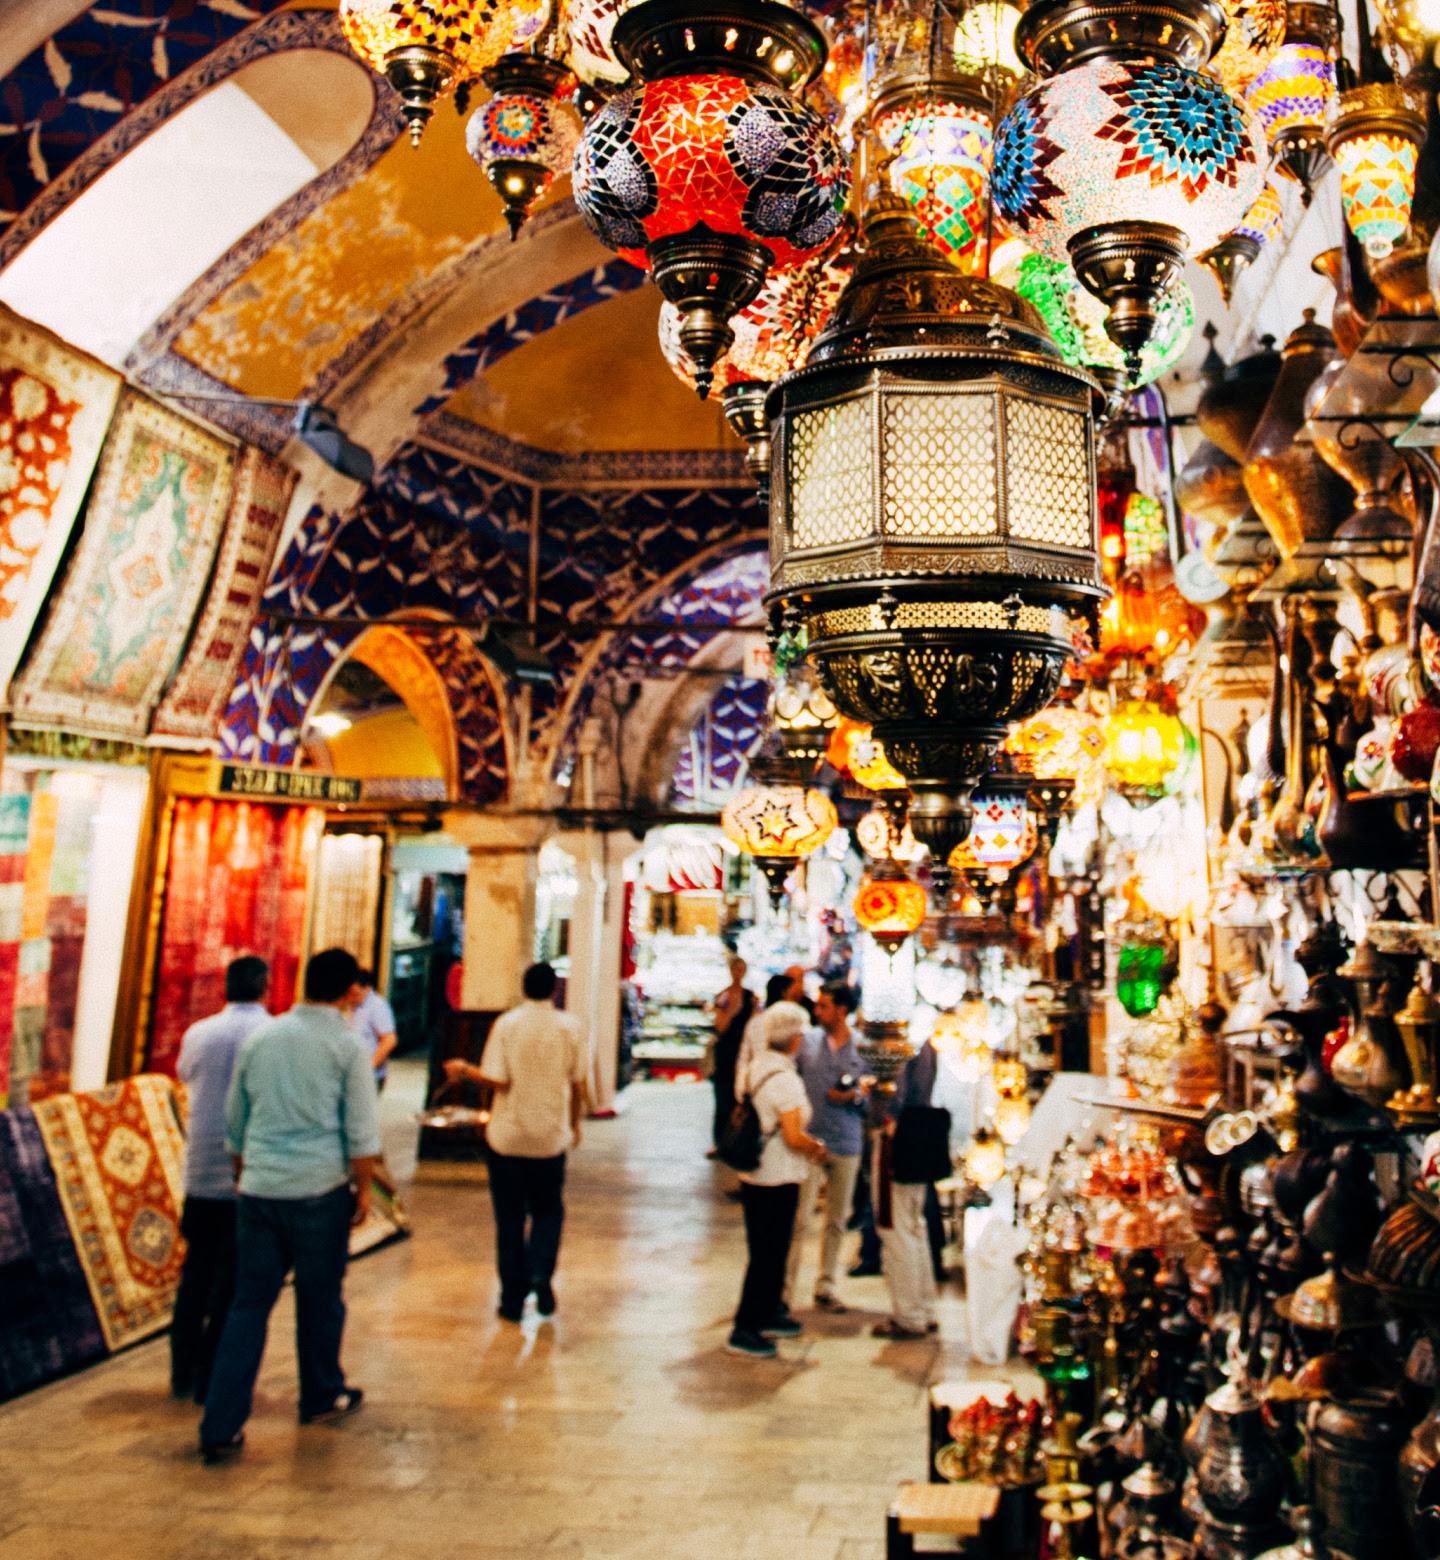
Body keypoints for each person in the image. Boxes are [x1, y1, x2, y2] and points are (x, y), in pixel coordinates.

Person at [197, 947, 381, 1463]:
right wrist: (363, 1191)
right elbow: (362, 1132)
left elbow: (236, 1119)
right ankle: (321, 1394)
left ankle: (221, 1422)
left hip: (259, 1190)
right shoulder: (346, 1047)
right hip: (318, 1193)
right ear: (350, 991)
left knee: (248, 1306)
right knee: (320, 1300)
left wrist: (244, 1174)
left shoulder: (264, 1037)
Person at [444, 961, 587, 1323]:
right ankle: (541, 1270)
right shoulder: (570, 1027)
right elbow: (577, 1083)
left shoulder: (507, 1024)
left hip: (507, 1137)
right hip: (549, 1137)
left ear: (523, 988)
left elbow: (497, 1080)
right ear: (555, 989)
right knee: (548, 1210)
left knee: (509, 1218)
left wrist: (463, 1069)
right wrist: (573, 1125)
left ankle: (511, 1300)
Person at [170, 955, 271, 1403]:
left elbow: (185, 1075)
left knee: (195, 1272)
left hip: (200, 1166)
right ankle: (213, 1370)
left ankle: (182, 1366)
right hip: (245, 1171)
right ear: (265, 988)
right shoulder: (271, 1035)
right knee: (232, 1280)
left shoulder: (199, 1033)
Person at [728, 1002, 828, 1359]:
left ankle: (768, 1313)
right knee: (769, 1254)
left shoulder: (755, 1069)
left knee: (767, 1249)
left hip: (754, 1172)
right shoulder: (784, 1080)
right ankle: (746, 1326)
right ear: (794, 1038)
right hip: (778, 1175)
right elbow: (793, 1135)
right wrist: (816, 1147)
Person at [786, 980, 869, 1313]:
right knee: (799, 1218)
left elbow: (870, 1095)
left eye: (823, 1005)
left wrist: (854, 1096)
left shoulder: (862, 1049)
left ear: (841, 1010)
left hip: (846, 1141)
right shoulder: (807, 1044)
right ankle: (786, 1287)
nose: (817, 1011)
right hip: (810, 1142)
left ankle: (827, 1285)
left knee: (836, 1220)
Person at [873, 1037, 949, 1340]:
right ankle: (923, 1309)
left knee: (897, 1228)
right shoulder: (924, 1039)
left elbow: (896, 1093)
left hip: (898, 1139)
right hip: (918, 1137)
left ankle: (909, 1315)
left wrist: (880, 1107)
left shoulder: (901, 1039)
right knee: (914, 1227)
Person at [709, 956, 755, 1151]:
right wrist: (732, 1010)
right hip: (725, 1054)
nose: (738, 973)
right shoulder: (724, 996)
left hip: (742, 1053)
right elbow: (720, 1026)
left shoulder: (750, 996)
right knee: (722, 1099)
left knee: (740, 1098)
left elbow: (753, 1025)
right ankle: (719, 1143)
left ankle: (736, 1141)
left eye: (741, 969)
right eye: (734, 969)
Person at [350, 969, 398, 1088]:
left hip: (369, 1076)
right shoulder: (352, 1006)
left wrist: (369, 1067)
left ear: (367, 988)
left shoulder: (377, 1007)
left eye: (355, 994)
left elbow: (389, 1040)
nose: (351, 998)